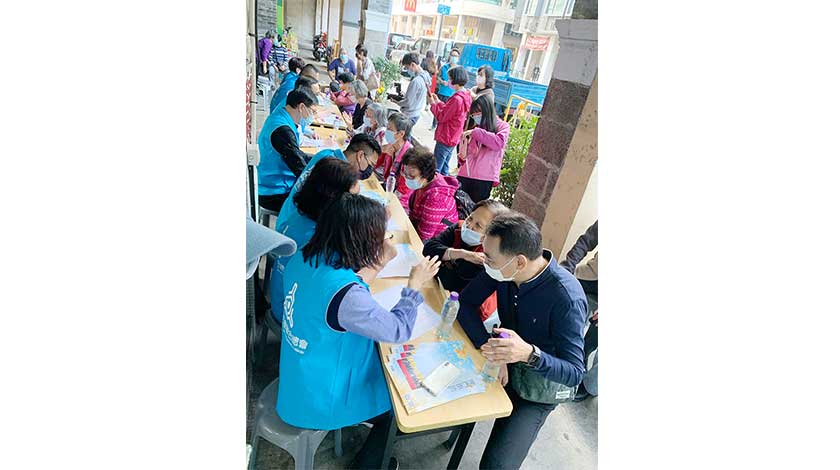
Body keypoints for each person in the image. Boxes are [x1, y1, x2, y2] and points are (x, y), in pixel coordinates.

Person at [277, 192, 441, 469]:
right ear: (361, 241)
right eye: (380, 235)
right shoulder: (346, 296)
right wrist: (414, 285)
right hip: (319, 397)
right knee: (399, 408)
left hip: (299, 375)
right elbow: (398, 330)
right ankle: (367, 465)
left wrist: (379, 261)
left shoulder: (306, 256)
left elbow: (350, 287)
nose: (384, 239)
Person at [455, 212, 587, 470]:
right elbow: (465, 304)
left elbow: (574, 373)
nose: (485, 261)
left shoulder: (566, 298)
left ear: (519, 261)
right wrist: (492, 350)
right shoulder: (502, 270)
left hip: (537, 388)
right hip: (503, 361)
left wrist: (528, 354)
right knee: (444, 396)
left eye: (490, 258)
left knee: (497, 466)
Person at [422, 199, 509, 293]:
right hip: (430, 283)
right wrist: (462, 254)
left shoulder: (486, 258)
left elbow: (451, 283)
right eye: (470, 218)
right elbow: (428, 248)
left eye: (478, 225)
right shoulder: (458, 228)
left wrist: (442, 255)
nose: (469, 225)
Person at [257, 88, 318, 211]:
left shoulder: (281, 116)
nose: (313, 116)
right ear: (302, 107)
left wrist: (320, 160)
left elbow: (297, 155)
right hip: (274, 193)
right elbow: (299, 168)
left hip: (272, 183)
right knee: (321, 205)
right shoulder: (283, 131)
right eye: (312, 111)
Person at [559, 220, 598, 402]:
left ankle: (589, 384)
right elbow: (586, 241)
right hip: (591, 276)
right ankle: (570, 357)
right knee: (565, 301)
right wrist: (568, 266)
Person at [457, 95, 509, 203]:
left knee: (476, 210)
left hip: (483, 179)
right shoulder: (475, 127)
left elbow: (498, 143)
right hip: (465, 174)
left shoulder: (502, 126)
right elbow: (467, 153)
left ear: (488, 110)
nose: (476, 116)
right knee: (459, 208)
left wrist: (476, 132)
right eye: (474, 114)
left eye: (479, 113)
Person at [401, 147, 460, 241]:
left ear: (426, 175)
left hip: (435, 242)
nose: (406, 178)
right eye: (405, 173)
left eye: (411, 176)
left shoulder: (437, 199)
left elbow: (424, 237)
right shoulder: (423, 183)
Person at [429, 65, 471, 176]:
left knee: (436, 169)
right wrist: (438, 102)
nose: (448, 81)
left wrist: (433, 104)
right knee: (444, 168)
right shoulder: (464, 96)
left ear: (455, 79)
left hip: (446, 136)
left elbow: (442, 117)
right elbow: (449, 111)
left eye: (450, 78)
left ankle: (436, 186)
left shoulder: (457, 99)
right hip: (453, 137)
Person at [374, 113, 414, 208]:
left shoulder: (410, 156)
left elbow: (403, 190)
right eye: (387, 127)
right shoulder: (390, 146)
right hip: (388, 187)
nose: (386, 131)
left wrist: (388, 201)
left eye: (390, 129)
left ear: (401, 134)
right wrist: (381, 150)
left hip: (401, 199)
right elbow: (374, 164)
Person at [399, 53, 432, 126]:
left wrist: (397, 102)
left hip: (410, 114)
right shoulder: (426, 75)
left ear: (412, 65)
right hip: (416, 112)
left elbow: (408, 102)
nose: (407, 70)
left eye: (407, 67)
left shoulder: (416, 81)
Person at [432, 47, 461, 129]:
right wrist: (442, 82)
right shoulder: (444, 67)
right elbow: (437, 77)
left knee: (447, 113)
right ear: (450, 56)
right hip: (442, 92)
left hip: (452, 94)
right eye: (452, 55)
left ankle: (441, 126)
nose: (454, 58)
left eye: (456, 56)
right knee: (438, 108)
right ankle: (434, 125)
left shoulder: (458, 69)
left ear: (458, 58)